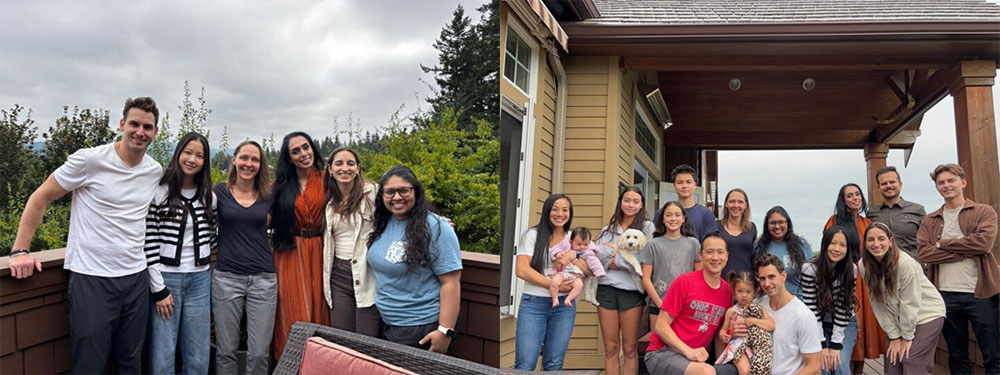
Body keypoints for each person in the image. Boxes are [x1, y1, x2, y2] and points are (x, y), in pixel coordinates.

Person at [7, 97, 161, 373]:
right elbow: (40, 197)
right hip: (92, 278)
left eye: (147, 127)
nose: (140, 131)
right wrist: (20, 251)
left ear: (156, 132)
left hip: (136, 277)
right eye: (135, 124)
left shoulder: (154, 170)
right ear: (122, 124)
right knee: (89, 364)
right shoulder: (90, 160)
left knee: (131, 361)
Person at [366, 166, 462, 353]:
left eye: (404, 190)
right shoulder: (384, 222)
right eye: (389, 192)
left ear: (416, 192)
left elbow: (451, 281)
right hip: (387, 322)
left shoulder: (436, 227)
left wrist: (444, 331)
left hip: (420, 325)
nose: (397, 197)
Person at [916, 163, 999, 375]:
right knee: (957, 354)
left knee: (993, 354)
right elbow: (925, 254)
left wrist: (942, 244)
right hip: (945, 295)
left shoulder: (983, 212)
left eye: (951, 180)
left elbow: (983, 244)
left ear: (963, 182)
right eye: (941, 182)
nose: (946, 185)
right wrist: (964, 250)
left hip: (981, 294)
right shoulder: (930, 220)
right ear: (937, 187)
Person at [144, 132, 216, 374]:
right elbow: (149, 243)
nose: (192, 159)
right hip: (167, 280)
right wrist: (158, 288)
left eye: (199, 155)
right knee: (163, 353)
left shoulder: (209, 197)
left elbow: (212, 235)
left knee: (198, 354)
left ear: (205, 162)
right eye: (188, 152)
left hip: (200, 279)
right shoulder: (159, 193)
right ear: (178, 154)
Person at [212, 140, 276, 375]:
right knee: (226, 350)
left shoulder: (269, 194)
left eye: (255, 160)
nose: (249, 163)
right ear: (234, 160)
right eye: (244, 158)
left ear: (261, 165)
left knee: (259, 352)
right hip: (226, 278)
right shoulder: (218, 191)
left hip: (263, 279)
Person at [270, 132, 330, 357]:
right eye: (296, 151)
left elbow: (364, 193)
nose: (303, 154)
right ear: (289, 158)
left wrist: (433, 217)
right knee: (292, 309)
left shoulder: (327, 179)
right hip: (290, 252)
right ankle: (290, 362)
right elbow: (258, 214)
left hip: (322, 250)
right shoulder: (279, 186)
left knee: (321, 309)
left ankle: (319, 364)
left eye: (306, 147)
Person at [643, 232, 737, 375]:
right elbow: (660, 326)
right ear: (700, 255)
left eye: (720, 252)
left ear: (727, 256)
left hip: (693, 360)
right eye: (710, 252)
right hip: (662, 352)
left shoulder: (727, 292)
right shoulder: (685, 282)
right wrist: (689, 352)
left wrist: (720, 362)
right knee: (705, 372)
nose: (715, 257)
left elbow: (718, 332)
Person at [514, 194, 586, 371]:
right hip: (534, 303)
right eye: (555, 209)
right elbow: (522, 269)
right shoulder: (533, 235)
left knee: (554, 364)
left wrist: (573, 256)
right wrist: (552, 285)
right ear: (547, 211)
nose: (560, 214)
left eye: (565, 210)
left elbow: (588, 265)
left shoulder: (574, 238)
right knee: (525, 364)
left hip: (564, 306)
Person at [862, 222, 946, 375]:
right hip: (899, 318)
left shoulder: (904, 264)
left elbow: (910, 303)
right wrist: (894, 336)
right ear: (865, 243)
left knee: (911, 359)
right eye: (871, 240)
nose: (876, 244)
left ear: (890, 242)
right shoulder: (864, 265)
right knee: (893, 362)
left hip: (926, 314)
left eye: (881, 239)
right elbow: (877, 303)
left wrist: (906, 338)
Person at [822, 183, 885, 373]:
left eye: (857, 194)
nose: (855, 198)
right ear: (843, 200)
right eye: (849, 195)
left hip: (866, 280)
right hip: (844, 279)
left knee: (864, 329)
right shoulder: (834, 222)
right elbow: (828, 251)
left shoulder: (867, 223)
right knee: (847, 323)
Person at [321, 146, 381, 337]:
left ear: (358, 168)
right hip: (338, 274)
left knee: (367, 337)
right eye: (339, 164)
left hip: (366, 271)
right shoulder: (329, 202)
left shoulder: (371, 193)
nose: (344, 168)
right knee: (342, 337)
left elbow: (400, 206)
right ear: (330, 169)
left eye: (350, 163)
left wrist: (433, 220)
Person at [595, 186, 655, 375]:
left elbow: (646, 260)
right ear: (620, 202)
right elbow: (595, 258)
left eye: (635, 201)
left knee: (629, 348)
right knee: (611, 347)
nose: (630, 205)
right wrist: (613, 261)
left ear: (641, 205)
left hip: (632, 291)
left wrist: (617, 260)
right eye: (627, 200)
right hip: (606, 290)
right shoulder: (607, 230)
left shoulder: (647, 228)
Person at [800, 225, 858, 375]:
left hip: (844, 323)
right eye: (833, 243)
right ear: (825, 244)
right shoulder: (809, 268)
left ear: (848, 249)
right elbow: (812, 308)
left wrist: (835, 344)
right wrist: (822, 344)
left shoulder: (851, 270)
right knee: (823, 366)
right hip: (818, 323)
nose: (837, 249)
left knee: (839, 364)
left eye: (842, 245)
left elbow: (843, 307)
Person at [755, 254, 823, 375]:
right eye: (762, 278)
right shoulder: (758, 306)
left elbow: (814, 366)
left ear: (783, 276)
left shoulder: (803, 316)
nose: (767, 283)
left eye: (771, 277)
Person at [640, 201, 701, 331]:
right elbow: (646, 278)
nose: (673, 219)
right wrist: (660, 305)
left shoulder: (693, 244)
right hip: (659, 304)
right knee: (658, 345)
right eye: (668, 215)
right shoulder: (653, 244)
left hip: (686, 306)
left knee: (683, 346)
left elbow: (699, 275)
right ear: (662, 219)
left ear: (683, 219)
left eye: (677, 215)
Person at [715, 271, 774, 375]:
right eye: (740, 291)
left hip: (755, 347)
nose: (744, 295)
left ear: (755, 291)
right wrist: (724, 335)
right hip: (738, 346)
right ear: (734, 291)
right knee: (744, 370)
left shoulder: (758, 309)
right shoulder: (731, 311)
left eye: (748, 292)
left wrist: (754, 321)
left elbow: (771, 325)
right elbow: (724, 330)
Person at [867, 166, 927, 260]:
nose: (888, 186)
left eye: (892, 182)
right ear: (879, 188)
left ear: (900, 184)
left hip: (912, 268)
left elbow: (927, 242)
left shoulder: (917, 210)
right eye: (884, 184)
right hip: (881, 270)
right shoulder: (872, 214)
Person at [752, 206, 812, 297]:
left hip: (797, 300)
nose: (777, 226)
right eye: (772, 223)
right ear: (767, 225)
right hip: (768, 302)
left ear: (787, 223)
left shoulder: (801, 245)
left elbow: (812, 276)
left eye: (781, 222)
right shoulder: (758, 247)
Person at [548, 227, 605, 308]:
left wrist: (599, 272)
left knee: (579, 285)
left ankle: (568, 299)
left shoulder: (588, 252)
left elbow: (595, 262)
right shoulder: (565, 246)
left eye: (585, 244)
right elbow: (554, 249)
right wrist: (558, 253)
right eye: (579, 244)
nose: (582, 247)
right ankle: (554, 298)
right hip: (563, 272)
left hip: (576, 276)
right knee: (554, 282)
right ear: (571, 243)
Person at [670, 164, 719, 241]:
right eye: (680, 182)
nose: (684, 186)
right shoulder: (663, 213)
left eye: (688, 182)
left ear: (695, 185)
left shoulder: (706, 214)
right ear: (674, 186)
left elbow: (711, 244)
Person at [717, 188, 757, 278]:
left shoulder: (752, 228)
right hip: (721, 280)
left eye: (740, 202)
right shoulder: (716, 226)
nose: (736, 205)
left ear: (746, 205)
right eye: (732, 201)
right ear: (726, 204)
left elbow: (754, 256)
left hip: (745, 283)